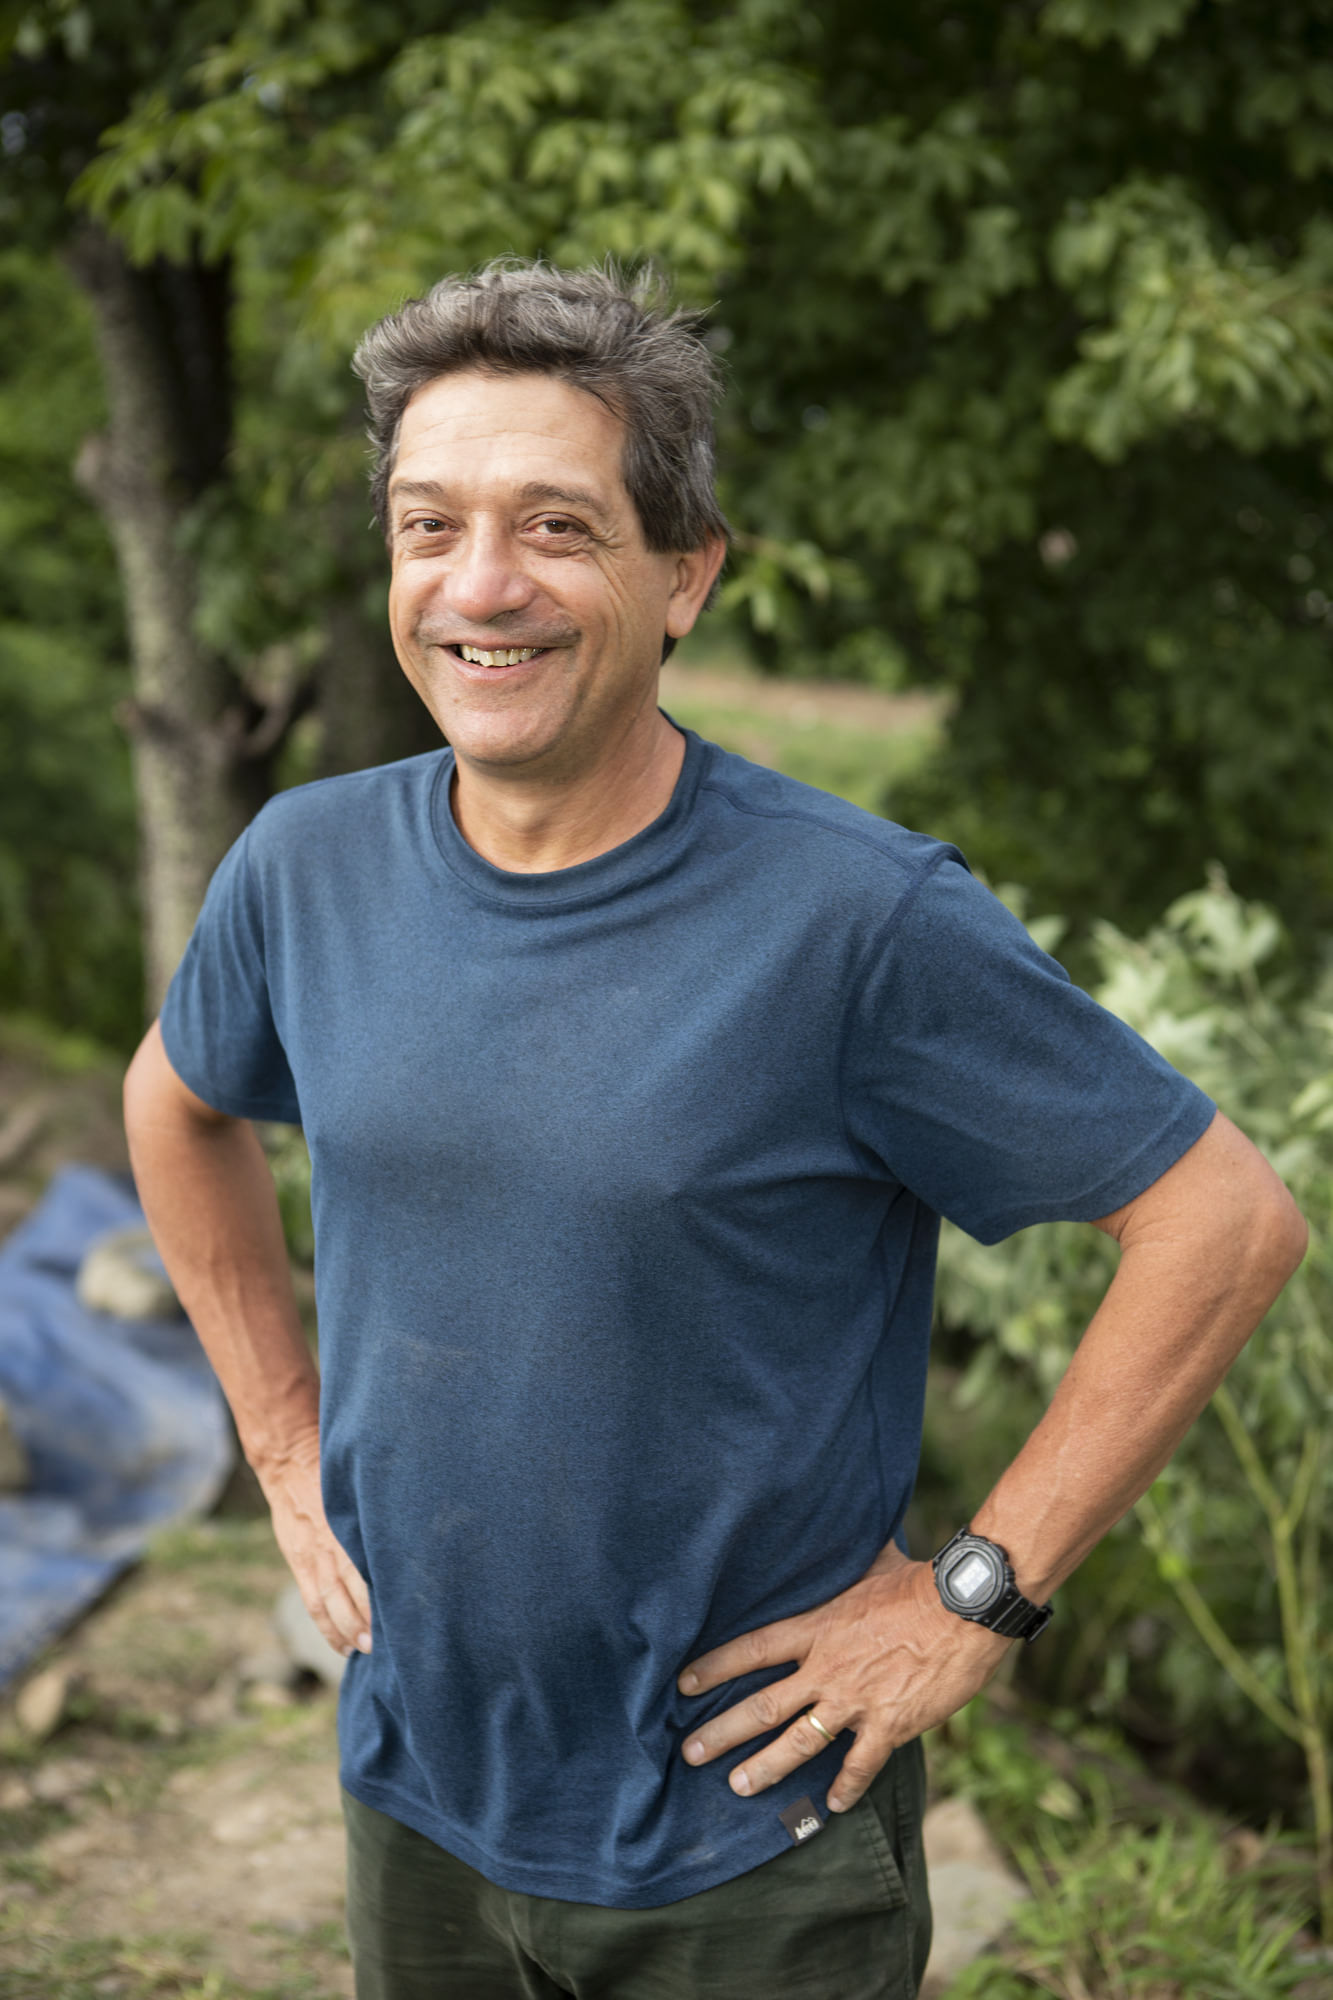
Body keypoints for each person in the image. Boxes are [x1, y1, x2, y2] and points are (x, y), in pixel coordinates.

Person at [123, 261, 1306, 2000]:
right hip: (418, 1791)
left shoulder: (857, 923)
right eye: (426, 524)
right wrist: (285, 1445)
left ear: (684, 575)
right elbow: (175, 1102)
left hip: (747, 1845)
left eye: (555, 528)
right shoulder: (306, 865)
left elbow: (1224, 1220)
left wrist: (972, 1595)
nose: (479, 586)